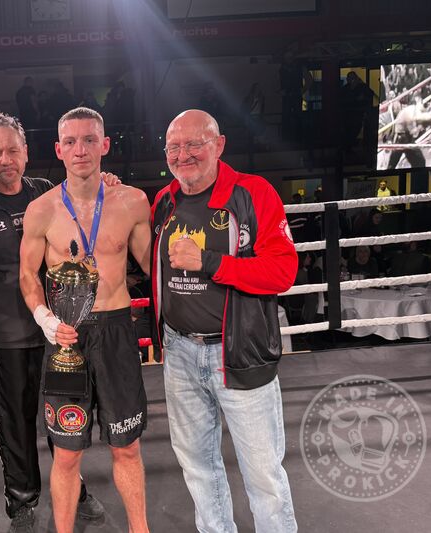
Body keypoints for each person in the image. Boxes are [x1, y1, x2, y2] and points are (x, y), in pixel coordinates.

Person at [0, 111, 107, 532]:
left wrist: (106, 183)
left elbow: (89, 205)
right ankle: (22, 504)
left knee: (67, 414)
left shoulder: (47, 193)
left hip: (60, 330)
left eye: (13, 150)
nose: (7, 159)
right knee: (16, 426)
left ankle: (74, 489)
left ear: (27, 151)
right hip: (9, 336)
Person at [150, 109, 298, 532]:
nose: (184, 154)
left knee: (264, 474)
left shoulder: (253, 194)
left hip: (238, 351)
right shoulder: (163, 202)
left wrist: (210, 262)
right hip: (179, 352)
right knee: (198, 468)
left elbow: (283, 272)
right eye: (174, 147)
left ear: (219, 145)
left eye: (194, 143)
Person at [19, 107, 152, 533]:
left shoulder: (132, 201)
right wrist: (43, 318)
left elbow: (154, 267)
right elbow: (27, 275)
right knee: (66, 454)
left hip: (115, 330)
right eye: (71, 142)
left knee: (127, 447)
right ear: (58, 149)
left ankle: (140, 530)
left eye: (90, 139)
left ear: (105, 145)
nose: (81, 149)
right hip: (66, 338)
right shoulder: (40, 209)